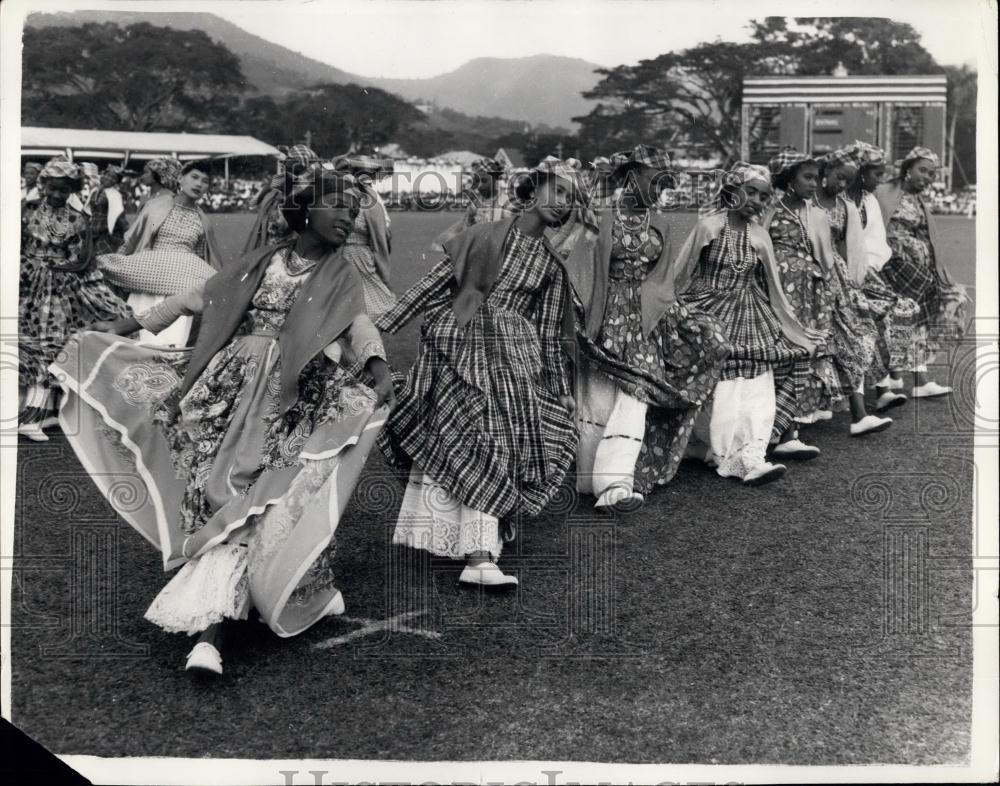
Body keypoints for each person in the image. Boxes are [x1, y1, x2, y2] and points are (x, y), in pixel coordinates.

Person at [51, 168, 396, 677]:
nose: (349, 217)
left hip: (292, 396)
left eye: (354, 210)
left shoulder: (341, 275)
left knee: (259, 492)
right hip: (226, 387)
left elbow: (356, 323)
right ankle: (261, 606)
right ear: (306, 211)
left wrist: (376, 363)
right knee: (219, 487)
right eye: (338, 206)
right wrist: (127, 325)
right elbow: (199, 298)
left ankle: (214, 636)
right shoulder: (262, 260)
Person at [374, 159, 579, 588]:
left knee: (500, 442)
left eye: (570, 198)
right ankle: (480, 556)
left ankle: (481, 546)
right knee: (477, 438)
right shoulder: (485, 235)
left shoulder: (551, 264)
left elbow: (548, 330)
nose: (564, 204)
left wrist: (559, 388)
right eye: (557, 191)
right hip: (459, 343)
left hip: (513, 358)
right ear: (533, 189)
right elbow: (433, 284)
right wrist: (373, 337)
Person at [563, 145, 729, 510]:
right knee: (599, 398)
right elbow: (582, 271)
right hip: (604, 315)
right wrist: (586, 321)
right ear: (633, 175)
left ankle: (617, 485)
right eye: (655, 182)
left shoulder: (661, 222)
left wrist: (680, 320)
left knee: (638, 394)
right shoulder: (601, 216)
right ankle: (593, 479)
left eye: (664, 185)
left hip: (646, 322)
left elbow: (663, 280)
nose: (659, 191)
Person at [677, 163, 817, 485]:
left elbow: (774, 288)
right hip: (709, 311)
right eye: (750, 191)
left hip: (751, 313)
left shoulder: (760, 235)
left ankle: (751, 455)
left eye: (764, 196)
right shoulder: (708, 226)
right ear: (731, 190)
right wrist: (671, 315)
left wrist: (796, 330)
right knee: (725, 386)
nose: (756, 200)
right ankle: (724, 452)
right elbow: (681, 273)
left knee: (757, 381)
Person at [18, 159, 131, 442]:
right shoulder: (25, 212)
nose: (57, 195)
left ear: (73, 190)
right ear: (43, 185)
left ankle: (37, 417)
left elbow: (82, 262)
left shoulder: (77, 219)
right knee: (22, 346)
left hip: (58, 291)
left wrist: (105, 298)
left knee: (52, 345)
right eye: (53, 188)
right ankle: (29, 412)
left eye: (64, 190)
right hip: (24, 287)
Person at [809, 149, 894, 436]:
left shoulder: (845, 207)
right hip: (804, 277)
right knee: (815, 342)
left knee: (855, 338)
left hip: (837, 278)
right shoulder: (805, 202)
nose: (842, 185)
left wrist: (851, 284)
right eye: (838, 178)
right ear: (825, 173)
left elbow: (850, 249)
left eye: (847, 181)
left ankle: (859, 414)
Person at [761, 147, 838, 454]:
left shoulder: (816, 214)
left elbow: (825, 257)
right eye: (807, 177)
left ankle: (790, 431)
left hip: (808, 293)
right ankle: (770, 431)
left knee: (804, 353)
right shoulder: (769, 209)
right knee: (779, 354)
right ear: (789, 179)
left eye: (817, 177)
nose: (815, 183)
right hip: (776, 291)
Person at [96, 160, 221, 348]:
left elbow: (204, 255)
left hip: (180, 291)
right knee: (137, 340)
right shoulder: (156, 207)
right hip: (149, 278)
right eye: (194, 177)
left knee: (170, 343)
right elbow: (133, 240)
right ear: (180, 178)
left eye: (205, 181)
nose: (199, 184)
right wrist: (118, 265)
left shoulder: (203, 220)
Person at [876, 147, 968, 398]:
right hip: (890, 268)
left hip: (916, 269)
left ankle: (917, 380)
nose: (927, 177)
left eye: (932, 173)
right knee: (895, 321)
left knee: (918, 321)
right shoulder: (882, 192)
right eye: (923, 170)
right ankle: (892, 378)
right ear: (907, 169)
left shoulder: (919, 202)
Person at [843, 141, 921, 411]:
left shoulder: (868, 201)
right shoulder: (837, 200)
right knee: (864, 327)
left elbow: (876, 243)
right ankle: (874, 394)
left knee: (900, 311)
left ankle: (884, 384)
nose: (880, 180)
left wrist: (870, 270)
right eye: (877, 174)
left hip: (866, 272)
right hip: (838, 276)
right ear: (861, 172)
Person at [333, 154, 397, 317]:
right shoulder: (339, 197)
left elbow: (382, 228)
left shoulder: (371, 199)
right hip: (339, 254)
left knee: (364, 302)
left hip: (360, 256)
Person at [244, 145, 320, 252]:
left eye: (292, 164)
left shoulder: (310, 189)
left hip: (293, 245)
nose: (286, 166)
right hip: (280, 245)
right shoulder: (282, 184)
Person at [431, 156, 514, 250]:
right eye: (477, 181)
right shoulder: (476, 203)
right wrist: (442, 240)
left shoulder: (507, 204)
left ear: (495, 179)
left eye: (484, 180)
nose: (480, 185)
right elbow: (464, 225)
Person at [85, 165, 129, 256]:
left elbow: (119, 216)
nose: (110, 179)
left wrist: (125, 231)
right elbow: (88, 210)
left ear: (116, 182)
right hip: (92, 231)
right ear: (103, 175)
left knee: (102, 259)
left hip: (106, 233)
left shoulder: (115, 195)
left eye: (114, 178)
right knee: (90, 258)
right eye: (108, 175)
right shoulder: (94, 191)